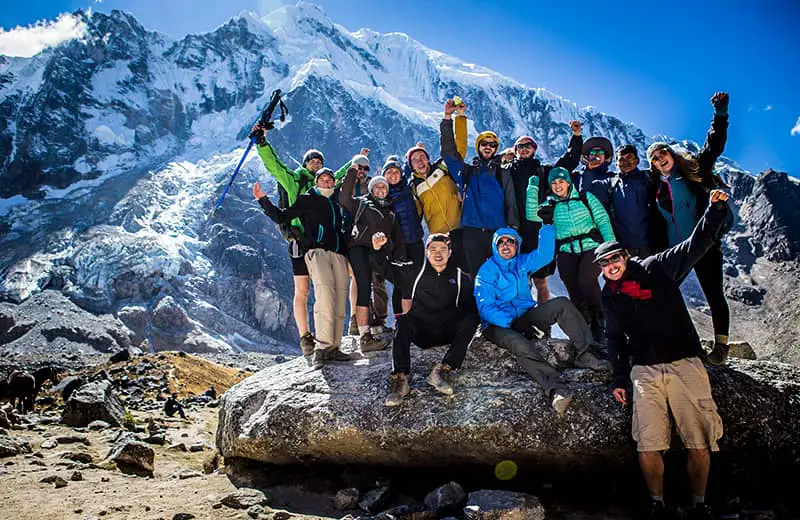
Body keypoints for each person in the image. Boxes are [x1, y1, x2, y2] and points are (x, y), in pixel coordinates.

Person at [600, 189, 730, 520]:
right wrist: (618, 376)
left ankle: (699, 504)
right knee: (648, 442)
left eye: (615, 258)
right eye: (605, 263)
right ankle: (657, 504)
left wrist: (715, 210)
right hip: (644, 370)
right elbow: (614, 337)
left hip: (684, 362)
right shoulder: (610, 295)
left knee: (699, 441)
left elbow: (694, 246)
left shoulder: (657, 268)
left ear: (625, 257)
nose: (612, 266)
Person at [474, 221, 610, 414]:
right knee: (519, 343)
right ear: (495, 247)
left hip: (525, 317)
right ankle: (556, 388)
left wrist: (546, 226)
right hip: (498, 325)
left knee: (562, 304)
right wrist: (512, 323)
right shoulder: (487, 270)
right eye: (501, 242)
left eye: (510, 242)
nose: (505, 245)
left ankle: (586, 354)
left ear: (517, 245)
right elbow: (485, 306)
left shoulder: (521, 262)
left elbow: (545, 255)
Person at [251, 124, 353, 356]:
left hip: (319, 245)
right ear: (305, 164)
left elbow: (338, 176)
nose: (316, 163)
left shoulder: (325, 185)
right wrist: (262, 144)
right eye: (312, 160)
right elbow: (275, 166)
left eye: (319, 161)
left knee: (324, 291)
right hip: (299, 241)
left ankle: (326, 340)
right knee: (303, 289)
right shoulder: (294, 182)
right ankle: (306, 336)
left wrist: (356, 162)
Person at [647, 92, 732, 365]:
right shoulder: (655, 187)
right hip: (676, 251)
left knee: (714, 294)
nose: (661, 161)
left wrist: (720, 115)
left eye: (663, 154)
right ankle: (674, 343)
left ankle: (720, 348)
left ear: (670, 154)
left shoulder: (693, 172)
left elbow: (713, 147)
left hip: (704, 244)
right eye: (656, 160)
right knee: (664, 294)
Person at [385, 233, 480, 406]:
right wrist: (378, 249)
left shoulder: (460, 278)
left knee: (472, 318)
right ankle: (400, 379)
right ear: (426, 252)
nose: (438, 253)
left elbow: (471, 308)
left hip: (446, 332)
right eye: (433, 249)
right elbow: (383, 268)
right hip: (421, 332)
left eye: (443, 249)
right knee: (402, 320)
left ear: (450, 252)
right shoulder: (413, 273)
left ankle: (442, 370)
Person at [528, 167, 615, 343]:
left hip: (591, 247)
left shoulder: (585, 198)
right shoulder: (550, 205)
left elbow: (603, 220)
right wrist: (532, 189)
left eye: (561, 181)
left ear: (568, 182)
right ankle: (584, 328)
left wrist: (611, 247)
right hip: (566, 251)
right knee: (573, 288)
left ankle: (599, 323)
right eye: (553, 183)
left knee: (586, 280)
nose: (558, 186)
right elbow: (532, 215)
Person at [507, 121, 583, 304]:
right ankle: (522, 320)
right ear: (515, 150)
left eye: (528, 146)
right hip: (515, 231)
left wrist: (577, 136)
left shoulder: (544, 171)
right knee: (518, 280)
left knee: (540, 281)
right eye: (520, 146)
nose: (524, 149)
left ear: (534, 149)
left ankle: (543, 323)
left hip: (538, 231)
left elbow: (569, 161)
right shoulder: (506, 171)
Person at [441, 98, 519, 274]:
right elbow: (448, 153)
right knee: (476, 277)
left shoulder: (502, 171)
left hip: (498, 234)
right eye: (484, 144)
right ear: (478, 147)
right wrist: (448, 118)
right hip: (472, 233)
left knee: (501, 275)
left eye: (492, 145)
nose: (488, 147)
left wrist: (513, 229)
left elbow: (510, 201)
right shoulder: (467, 172)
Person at [340, 166, 411, 352]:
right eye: (377, 187)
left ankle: (408, 325)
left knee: (403, 282)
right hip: (360, 249)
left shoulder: (391, 212)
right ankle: (365, 337)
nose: (381, 189)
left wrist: (400, 257)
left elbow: (398, 238)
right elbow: (344, 199)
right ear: (371, 190)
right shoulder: (362, 203)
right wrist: (351, 174)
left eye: (384, 187)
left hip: (379, 253)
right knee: (364, 288)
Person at [342, 153, 391, 337]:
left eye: (365, 168)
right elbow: (344, 201)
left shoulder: (374, 189)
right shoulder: (346, 186)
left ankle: (379, 319)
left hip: (376, 243)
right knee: (359, 280)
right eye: (358, 167)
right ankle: (357, 321)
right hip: (354, 241)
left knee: (377, 279)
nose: (361, 171)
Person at [383, 155, 426, 316]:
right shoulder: (383, 196)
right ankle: (403, 321)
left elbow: (411, 169)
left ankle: (414, 317)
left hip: (415, 240)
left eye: (396, 171)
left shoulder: (409, 188)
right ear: (384, 175)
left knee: (416, 280)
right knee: (401, 284)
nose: (393, 175)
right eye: (389, 172)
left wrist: (417, 150)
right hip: (397, 246)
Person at [608, 144, 653, 257]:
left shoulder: (648, 178)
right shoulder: (612, 185)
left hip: (649, 245)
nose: (626, 162)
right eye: (621, 159)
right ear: (616, 164)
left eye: (629, 157)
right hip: (624, 248)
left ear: (637, 160)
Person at [576, 136, 615, 209]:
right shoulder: (577, 176)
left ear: (605, 157)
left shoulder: (612, 178)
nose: (596, 154)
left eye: (600, 152)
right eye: (593, 152)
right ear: (587, 157)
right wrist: (589, 170)